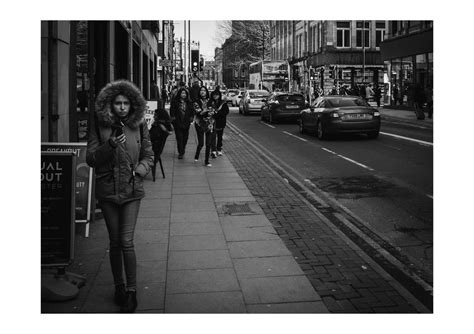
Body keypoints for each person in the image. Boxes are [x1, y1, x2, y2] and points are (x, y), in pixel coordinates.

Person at [86, 80, 154, 313]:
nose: (122, 107)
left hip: (132, 190)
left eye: (126, 103)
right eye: (118, 103)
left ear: (132, 104)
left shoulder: (139, 124)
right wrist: (111, 145)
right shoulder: (100, 125)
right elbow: (91, 158)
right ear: (111, 104)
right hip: (107, 191)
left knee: (126, 241)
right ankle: (119, 287)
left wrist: (141, 171)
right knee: (114, 242)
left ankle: (132, 291)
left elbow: (148, 153)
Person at [149, 107, 173, 181]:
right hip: (158, 151)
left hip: (153, 151)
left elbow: (150, 137)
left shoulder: (157, 126)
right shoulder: (165, 126)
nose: (154, 116)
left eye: (155, 115)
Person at [193, 86, 215, 167]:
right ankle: (197, 154)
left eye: (204, 90)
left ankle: (207, 161)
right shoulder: (196, 101)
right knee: (201, 143)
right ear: (199, 92)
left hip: (209, 123)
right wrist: (206, 111)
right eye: (201, 90)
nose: (202, 92)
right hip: (199, 123)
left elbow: (213, 111)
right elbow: (198, 112)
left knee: (208, 143)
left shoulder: (211, 101)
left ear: (207, 92)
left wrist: (208, 112)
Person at [170, 87, 194, 159]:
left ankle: (183, 149)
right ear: (179, 94)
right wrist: (173, 118)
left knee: (185, 138)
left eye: (185, 93)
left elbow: (192, 111)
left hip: (186, 122)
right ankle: (181, 152)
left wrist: (191, 118)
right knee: (179, 138)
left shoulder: (189, 102)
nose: (183, 95)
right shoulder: (175, 102)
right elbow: (172, 111)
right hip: (178, 122)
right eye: (182, 93)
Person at [209, 89, 229, 158]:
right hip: (212, 122)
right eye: (214, 95)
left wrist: (217, 114)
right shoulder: (210, 102)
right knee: (213, 136)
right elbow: (209, 111)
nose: (215, 96)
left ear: (219, 95)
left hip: (220, 122)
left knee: (220, 137)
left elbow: (226, 112)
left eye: (217, 95)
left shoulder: (223, 103)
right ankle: (213, 150)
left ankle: (219, 149)